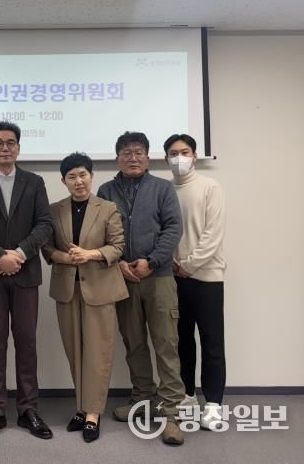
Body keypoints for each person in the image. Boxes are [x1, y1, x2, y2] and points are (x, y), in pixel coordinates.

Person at [0, 121, 54, 442]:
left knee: (27, 342)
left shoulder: (34, 182)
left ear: (18, 148)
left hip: (25, 273)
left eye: (10, 142)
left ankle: (28, 409)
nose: (5, 147)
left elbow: (44, 224)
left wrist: (17, 254)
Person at [97, 131, 186, 446]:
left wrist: (152, 261)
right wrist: (119, 262)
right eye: (126, 152)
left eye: (138, 152)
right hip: (122, 279)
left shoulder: (162, 188)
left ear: (148, 158)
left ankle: (172, 413)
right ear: (117, 159)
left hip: (158, 277)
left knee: (166, 344)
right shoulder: (106, 191)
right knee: (133, 343)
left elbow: (174, 227)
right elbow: (101, 233)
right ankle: (143, 401)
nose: (132, 158)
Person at [42, 153, 129, 443]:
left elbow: (117, 246)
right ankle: (81, 407)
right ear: (63, 181)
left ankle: (93, 413)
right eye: (72, 177)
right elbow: (46, 248)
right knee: (75, 350)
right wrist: (65, 257)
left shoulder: (108, 208)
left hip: (100, 289)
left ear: (91, 176)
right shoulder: (54, 210)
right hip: (67, 290)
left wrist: (90, 254)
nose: (78, 181)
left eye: (83, 175)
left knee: (98, 352)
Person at [164, 134, 227, 431]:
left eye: (185, 152)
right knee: (181, 341)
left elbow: (213, 234)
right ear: (166, 158)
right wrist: (172, 264)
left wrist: (188, 265)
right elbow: (162, 231)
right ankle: (187, 395)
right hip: (173, 277)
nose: (180, 157)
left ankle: (213, 404)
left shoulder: (210, 187)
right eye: (173, 153)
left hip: (206, 276)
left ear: (195, 155)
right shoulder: (164, 190)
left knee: (212, 342)